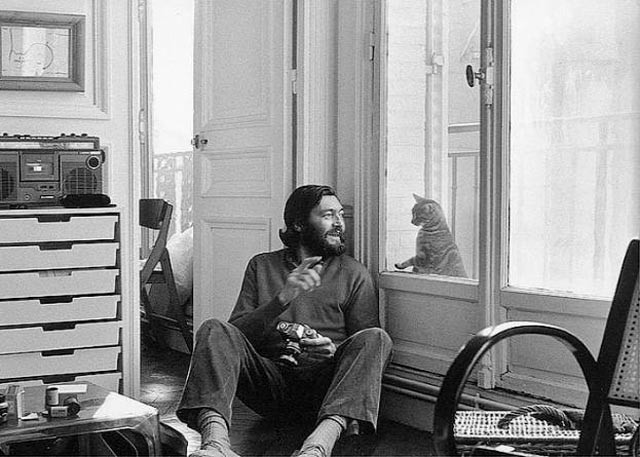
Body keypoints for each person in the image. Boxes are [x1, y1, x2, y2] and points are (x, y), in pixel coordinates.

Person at [177, 184, 393, 457]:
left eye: (340, 215)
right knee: (213, 328)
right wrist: (282, 299)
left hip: (327, 392)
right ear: (299, 224)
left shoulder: (354, 273)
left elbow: (368, 352)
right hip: (270, 385)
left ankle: (316, 449)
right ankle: (215, 446)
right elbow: (235, 335)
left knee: (377, 338)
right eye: (328, 215)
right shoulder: (261, 265)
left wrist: (332, 351)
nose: (339, 223)